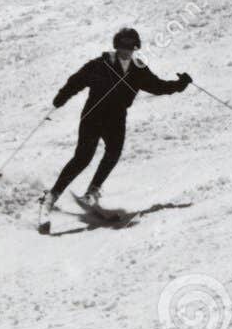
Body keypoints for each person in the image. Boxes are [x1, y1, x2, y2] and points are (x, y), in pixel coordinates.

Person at [39, 28, 189, 228]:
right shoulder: (100, 64)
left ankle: (91, 193)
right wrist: (61, 98)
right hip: (93, 115)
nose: (126, 50)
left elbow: (157, 86)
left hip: (116, 118)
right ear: (116, 46)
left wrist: (180, 84)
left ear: (135, 47)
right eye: (123, 46)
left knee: (113, 152)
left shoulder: (138, 69)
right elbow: (77, 81)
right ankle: (51, 198)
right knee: (83, 158)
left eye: (130, 46)